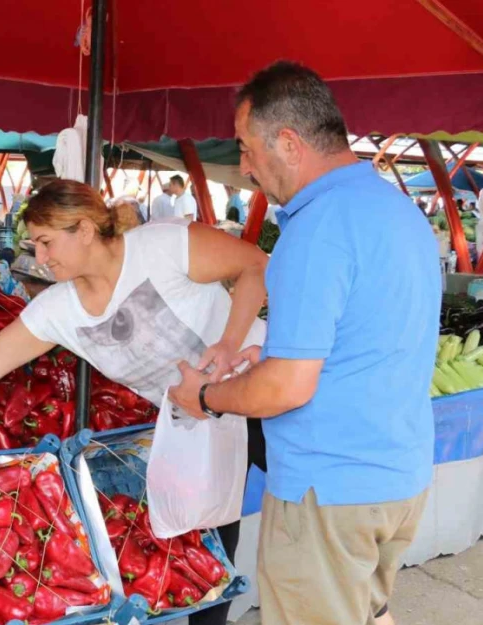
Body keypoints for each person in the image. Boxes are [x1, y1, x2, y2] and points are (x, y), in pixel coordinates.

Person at [0, 178, 269, 625]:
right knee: (209, 544)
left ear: (86, 229)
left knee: (309, 511)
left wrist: (227, 345)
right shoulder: (60, 309)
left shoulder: (163, 246)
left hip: (263, 389)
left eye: (48, 243)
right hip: (197, 421)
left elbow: (255, 265)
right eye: (36, 245)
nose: (41, 258)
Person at [170, 61, 440, 625]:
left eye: (245, 149)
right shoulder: (392, 207)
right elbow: (372, 334)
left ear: (289, 143)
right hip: (400, 477)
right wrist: (270, 356)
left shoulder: (314, 230)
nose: (244, 167)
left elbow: (287, 390)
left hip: (329, 493)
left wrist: (205, 398)